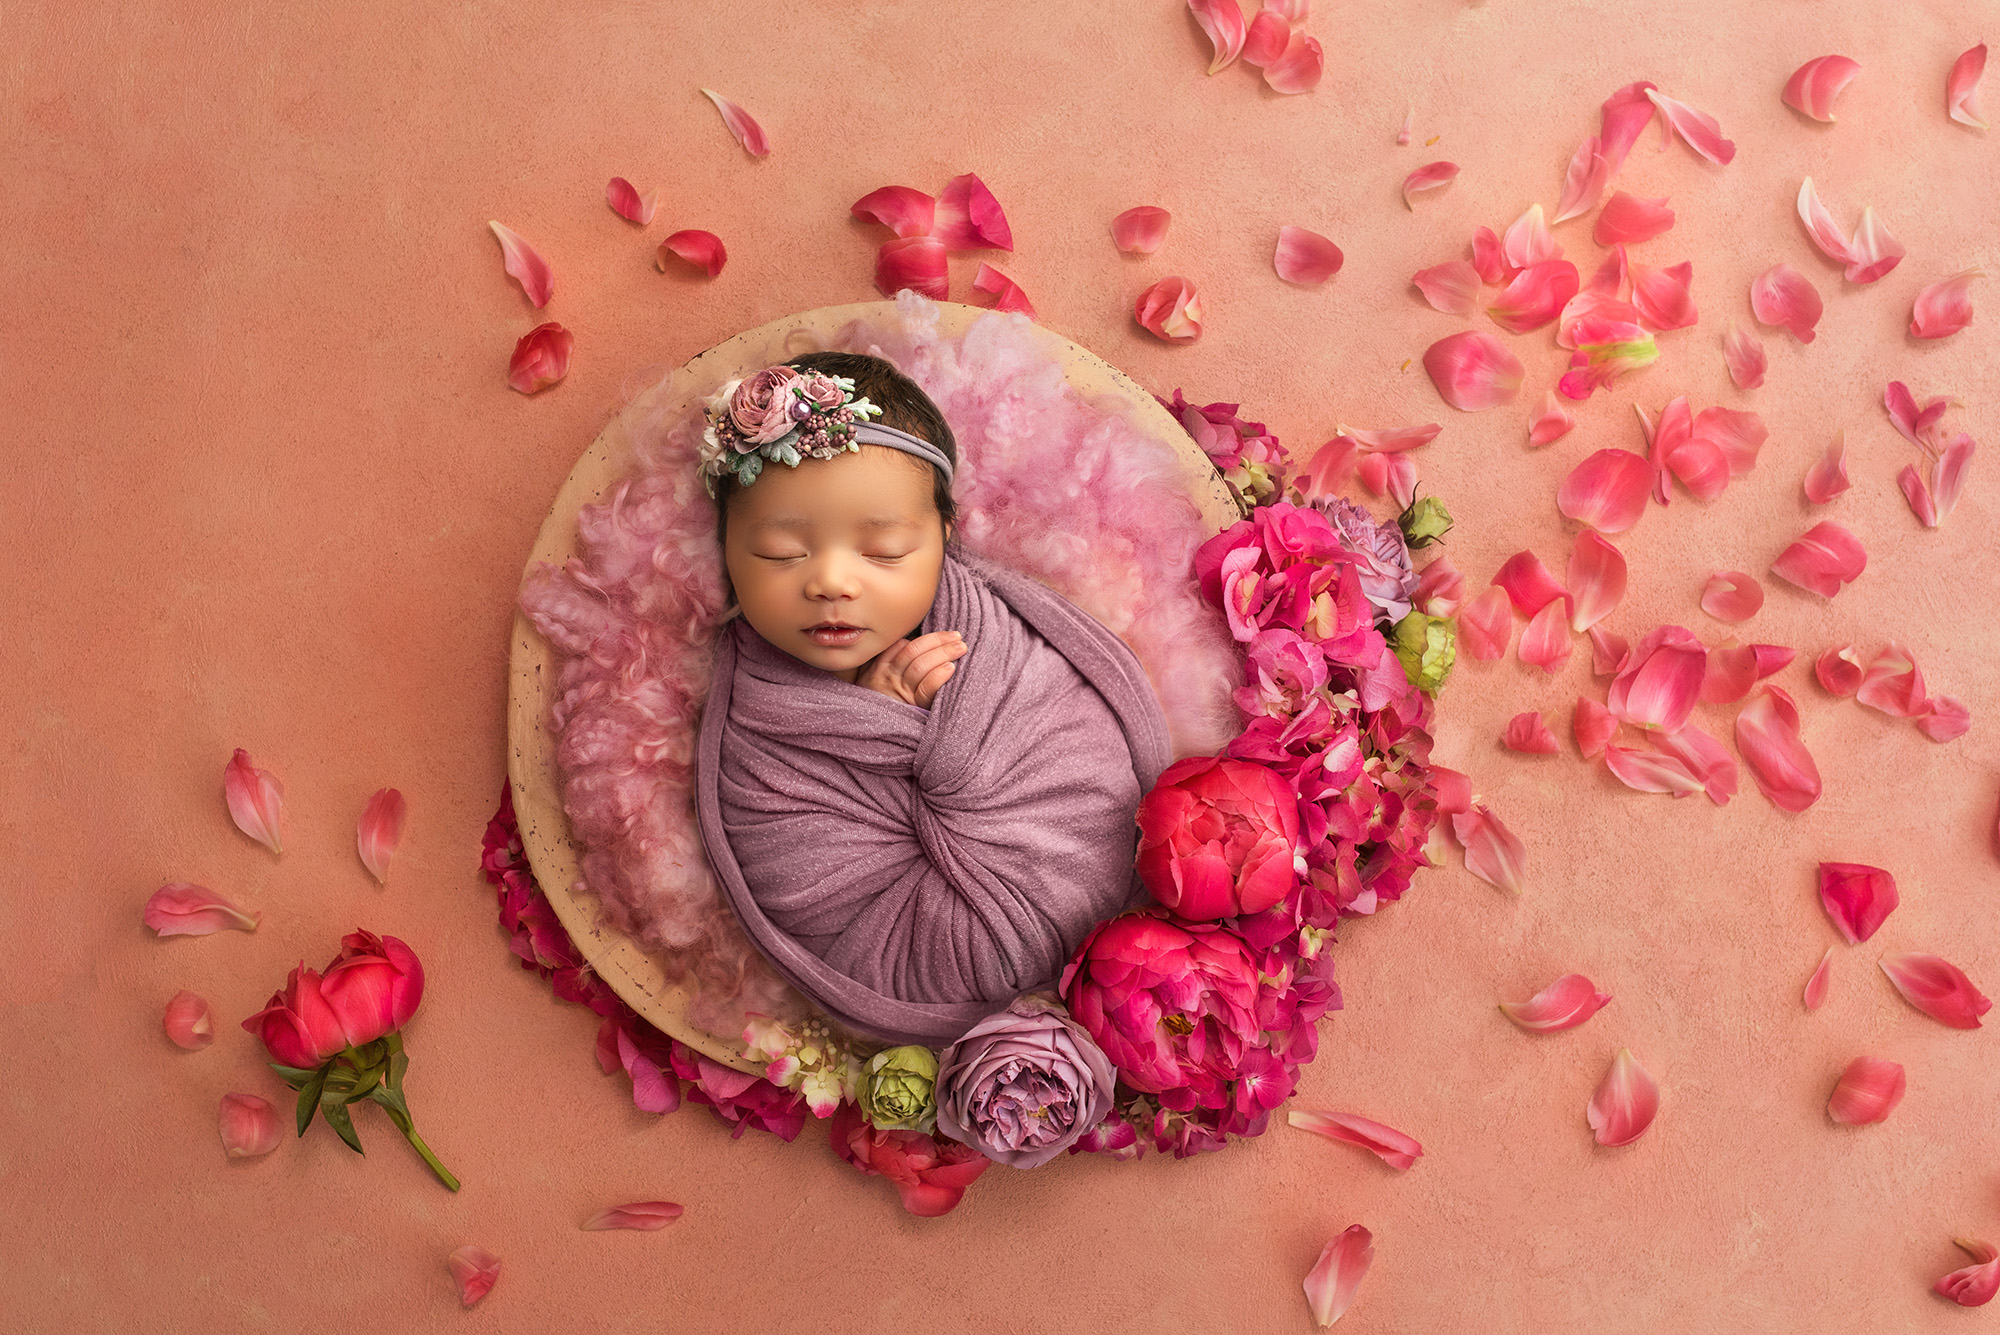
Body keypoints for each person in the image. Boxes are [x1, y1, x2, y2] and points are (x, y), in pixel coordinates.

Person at [692, 351, 1173, 1046]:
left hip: (1057, 844)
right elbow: (786, 838)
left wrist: (908, 728)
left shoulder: (992, 640)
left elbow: (1073, 743)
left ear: (946, 539)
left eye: (884, 551)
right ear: (727, 552)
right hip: (887, 926)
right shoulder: (756, 713)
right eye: (778, 552)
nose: (831, 581)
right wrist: (873, 717)